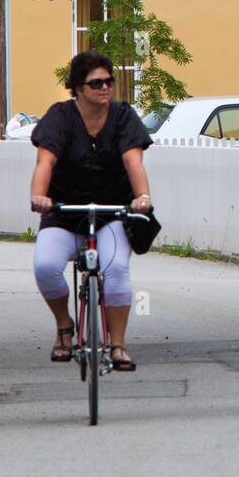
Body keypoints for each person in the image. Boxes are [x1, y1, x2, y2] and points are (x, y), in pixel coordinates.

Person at [29, 51, 153, 370]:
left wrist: (142, 196)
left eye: (109, 81)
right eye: (96, 82)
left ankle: (118, 345)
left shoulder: (124, 116)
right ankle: (63, 326)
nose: (104, 87)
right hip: (64, 211)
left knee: (116, 272)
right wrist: (39, 196)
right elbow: (45, 161)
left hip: (112, 211)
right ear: (78, 88)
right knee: (45, 266)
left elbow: (133, 161)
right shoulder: (59, 117)